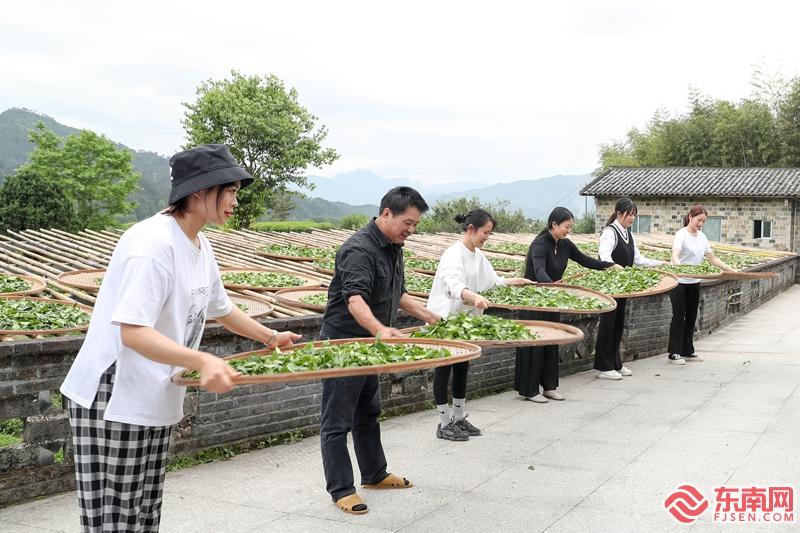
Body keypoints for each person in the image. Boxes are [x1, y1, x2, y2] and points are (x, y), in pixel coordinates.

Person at [59, 144, 302, 532]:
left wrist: (270, 336)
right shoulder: (152, 245)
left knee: (144, 510)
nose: (236, 201)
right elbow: (134, 333)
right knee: (115, 519)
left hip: (153, 391)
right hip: (114, 393)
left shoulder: (199, 244)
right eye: (232, 191)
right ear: (199, 192)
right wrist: (203, 359)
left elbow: (221, 308)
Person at [319, 186, 441, 515]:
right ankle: (342, 489)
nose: (411, 230)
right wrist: (380, 329)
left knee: (367, 411)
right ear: (386, 214)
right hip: (345, 344)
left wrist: (430, 316)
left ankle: (374, 473)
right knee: (336, 419)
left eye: (415, 224)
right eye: (407, 222)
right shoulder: (358, 249)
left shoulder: (393, 246)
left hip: (372, 343)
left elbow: (397, 293)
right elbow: (355, 299)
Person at [426, 209, 532, 441]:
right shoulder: (453, 254)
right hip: (445, 321)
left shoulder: (477, 255)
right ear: (471, 229)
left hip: (466, 323)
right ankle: (444, 422)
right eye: (485, 232)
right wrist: (474, 297)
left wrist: (513, 282)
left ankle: (459, 418)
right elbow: (453, 285)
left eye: (490, 234)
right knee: (443, 370)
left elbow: (492, 280)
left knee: (463, 368)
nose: (487, 237)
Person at [517, 207, 616, 402]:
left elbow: (585, 261)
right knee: (536, 343)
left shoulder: (564, 244)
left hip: (553, 299)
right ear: (554, 224)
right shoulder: (539, 244)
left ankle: (549, 387)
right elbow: (539, 271)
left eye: (570, 227)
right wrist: (551, 285)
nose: (568, 230)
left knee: (553, 341)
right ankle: (530, 390)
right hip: (535, 300)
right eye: (566, 226)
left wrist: (609, 265)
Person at [594, 198, 663, 380]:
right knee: (608, 325)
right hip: (610, 287)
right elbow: (604, 254)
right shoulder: (610, 232)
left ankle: (616, 363)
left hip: (624, 287)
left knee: (618, 324)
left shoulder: (628, 234)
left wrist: (660, 264)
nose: (632, 218)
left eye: (634, 215)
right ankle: (604, 366)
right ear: (619, 214)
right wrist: (614, 267)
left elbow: (638, 259)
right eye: (629, 214)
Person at [668, 205, 734, 364]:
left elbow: (712, 258)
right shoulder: (681, 234)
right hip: (679, 281)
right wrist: (679, 267)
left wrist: (729, 268)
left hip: (694, 281)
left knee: (691, 316)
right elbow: (675, 254)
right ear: (690, 217)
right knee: (679, 316)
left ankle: (687, 351)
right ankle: (674, 353)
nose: (700, 224)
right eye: (698, 220)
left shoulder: (702, 237)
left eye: (703, 221)